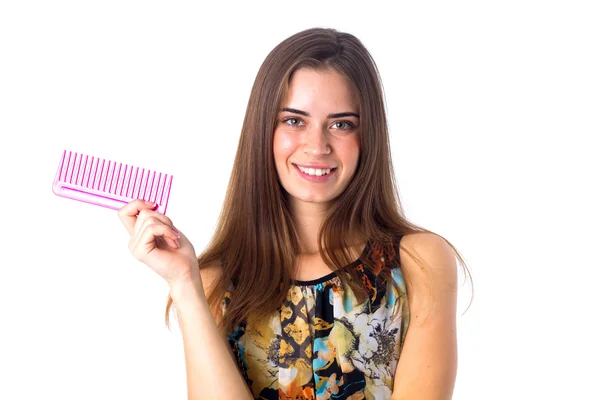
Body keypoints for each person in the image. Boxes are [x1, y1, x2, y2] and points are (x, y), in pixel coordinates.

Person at [118, 27, 471, 400]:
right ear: (263, 130)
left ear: (368, 136)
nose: (316, 146)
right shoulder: (216, 282)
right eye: (294, 120)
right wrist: (184, 284)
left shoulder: (418, 261)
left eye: (341, 124)